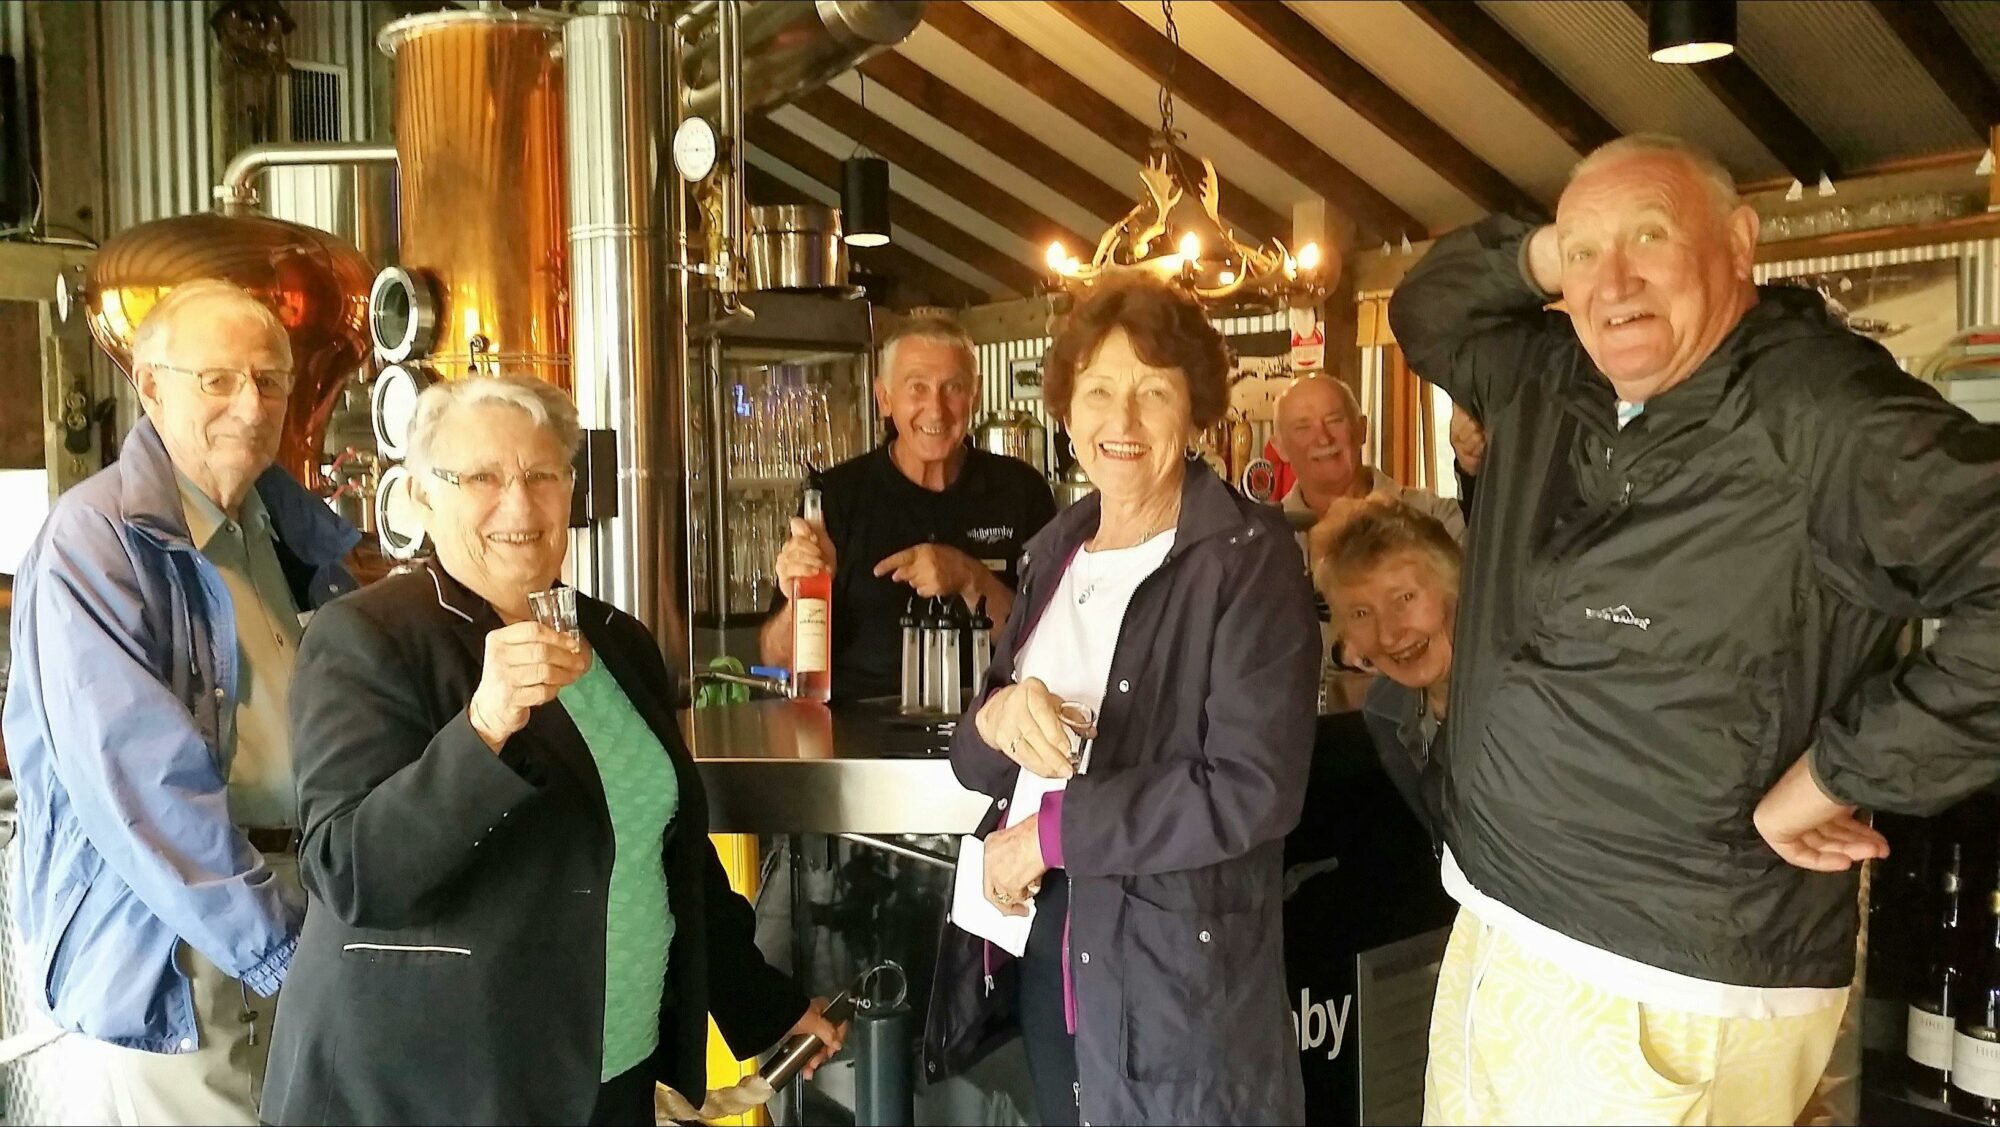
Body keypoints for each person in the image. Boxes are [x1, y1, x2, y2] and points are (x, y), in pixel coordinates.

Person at [1390, 132, 2000, 1125]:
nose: (1612, 280)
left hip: (1663, 990)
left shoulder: (1816, 410)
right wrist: (1554, 251)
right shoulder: (1550, 375)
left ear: (1738, 242)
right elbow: (1428, 306)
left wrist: (1833, 774)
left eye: (1650, 236)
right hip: (1500, 925)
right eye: (1582, 252)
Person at [260, 375, 842, 1125]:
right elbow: (351, 872)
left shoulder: (616, 639)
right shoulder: (368, 636)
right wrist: (484, 727)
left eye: (542, 475)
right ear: (422, 496)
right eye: (481, 477)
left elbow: (664, 857)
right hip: (434, 1091)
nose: (519, 504)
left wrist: (764, 1009)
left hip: (606, 1078)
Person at [943, 275, 1318, 1125]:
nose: (1122, 421)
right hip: (1050, 945)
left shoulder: (1246, 559)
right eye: (1100, 391)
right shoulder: (1056, 549)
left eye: (1154, 392)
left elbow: (1251, 786)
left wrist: (1047, 834)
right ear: (1067, 411)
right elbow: (975, 762)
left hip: (1173, 979)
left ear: (1195, 415)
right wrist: (994, 717)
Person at [2, 280, 359, 1124]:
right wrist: (278, 944)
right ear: (150, 385)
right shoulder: (96, 542)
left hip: (294, 906)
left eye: (270, 380)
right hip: (173, 945)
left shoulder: (284, 533)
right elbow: (140, 782)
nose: (251, 404)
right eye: (218, 380)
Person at [762, 314, 1056, 701]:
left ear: (976, 395)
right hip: (857, 734)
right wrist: (806, 593)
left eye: (953, 387)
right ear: (884, 398)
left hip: (990, 731)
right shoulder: (835, 498)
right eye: (917, 387)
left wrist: (971, 578)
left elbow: (1053, 642)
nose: (936, 410)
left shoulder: (1021, 490)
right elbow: (779, 661)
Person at [1311, 499, 1461, 838]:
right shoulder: (1385, 709)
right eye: (1361, 613)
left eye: (1405, 598)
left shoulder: (1528, 694)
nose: (1389, 634)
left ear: (1455, 588)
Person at [1272, 372, 1464, 538]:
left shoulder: (1436, 516)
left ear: (1362, 429)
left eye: (1334, 421)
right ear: (1279, 447)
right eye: (1303, 428)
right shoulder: (1266, 537)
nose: (1323, 439)